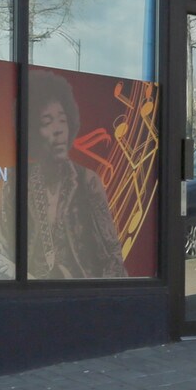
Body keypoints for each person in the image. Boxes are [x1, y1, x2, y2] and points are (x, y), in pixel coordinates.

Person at [25, 69, 128, 279]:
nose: (58, 129)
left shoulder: (87, 181)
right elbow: (3, 244)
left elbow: (112, 252)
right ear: (33, 131)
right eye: (47, 122)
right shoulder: (16, 182)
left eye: (62, 120)